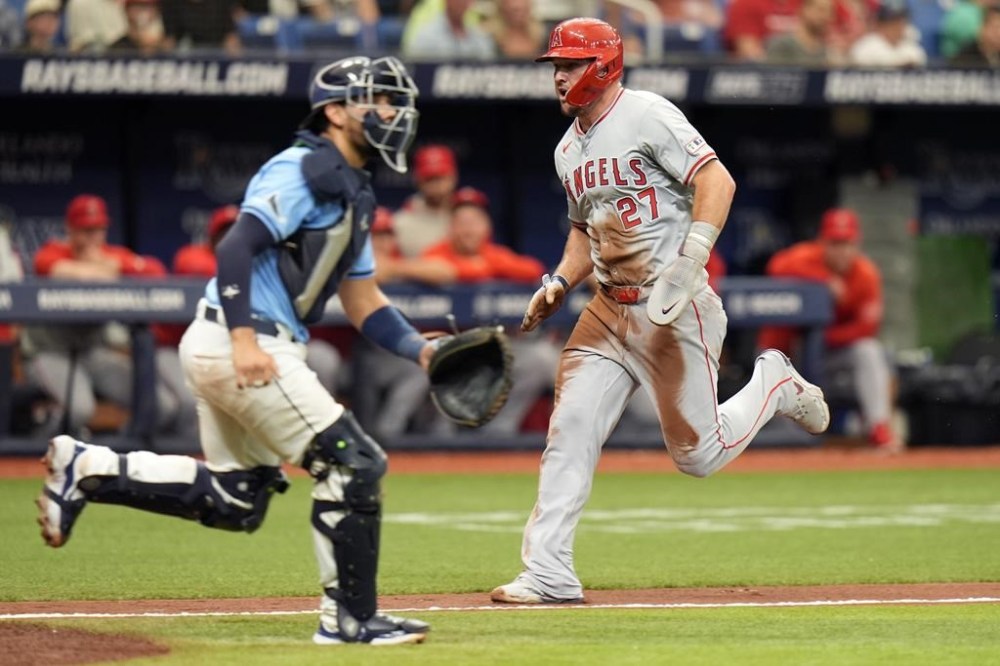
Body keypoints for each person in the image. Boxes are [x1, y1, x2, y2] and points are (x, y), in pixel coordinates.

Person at [37, 55, 432, 646]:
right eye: (375, 99)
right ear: (333, 111)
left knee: (235, 498)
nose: (390, 112)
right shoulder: (301, 167)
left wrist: (422, 351)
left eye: (393, 101)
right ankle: (348, 619)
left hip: (245, 342)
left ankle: (91, 467)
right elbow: (235, 248)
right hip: (242, 341)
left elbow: (364, 301)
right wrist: (245, 340)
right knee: (355, 462)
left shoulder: (356, 189)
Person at [490, 18, 830, 605]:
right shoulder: (567, 147)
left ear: (602, 65)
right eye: (555, 66)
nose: (559, 75)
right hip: (606, 308)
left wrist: (692, 256)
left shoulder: (647, 113)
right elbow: (582, 231)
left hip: (671, 304)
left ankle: (772, 382)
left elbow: (716, 182)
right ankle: (548, 573)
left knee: (698, 456)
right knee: (568, 431)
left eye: (568, 64)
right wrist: (558, 281)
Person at [20, 194, 180, 439]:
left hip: (93, 351)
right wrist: (110, 269)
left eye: (98, 230)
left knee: (162, 405)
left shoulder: (111, 255)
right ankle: (37, 446)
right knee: (81, 411)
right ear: (70, 229)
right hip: (49, 352)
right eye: (85, 230)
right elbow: (62, 271)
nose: (93, 238)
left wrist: (108, 264)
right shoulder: (52, 251)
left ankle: (120, 451)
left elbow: (155, 271)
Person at [757, 208, 903, 451]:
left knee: (870, 351)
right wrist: (823, 281)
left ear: (857, 244)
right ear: (823, 242)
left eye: (847, 243)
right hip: (785, 355)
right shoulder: (806, 258)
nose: (841, 251)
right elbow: (775, 267)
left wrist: (821, 338)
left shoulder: (866, 275)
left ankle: (879, 428)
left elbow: (866, 329)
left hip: (829, 356)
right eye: (835, 243)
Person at [391, 143, 459, 257]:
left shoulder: (469, 217)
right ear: (417, 180)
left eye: (441, 177)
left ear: (453, 177)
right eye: (429, 179)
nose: (437, 185)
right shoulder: (400, 223)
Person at [403, 0, 496, 61]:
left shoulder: (478, 35)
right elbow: (419, 71)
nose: (464, 3)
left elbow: (488, 66)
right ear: (447, 1)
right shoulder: (426, 35)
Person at [849, 0, 927, 67]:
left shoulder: (911, 48)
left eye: (901, 23)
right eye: (893, 23)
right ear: (881, 25)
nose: (898, 28)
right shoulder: (865, 47)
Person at [765, 0, 842, 65]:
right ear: (804, 10)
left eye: (830, 12)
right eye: (821, 10)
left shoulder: (826, 52)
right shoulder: (781, 46)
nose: (827, 16)